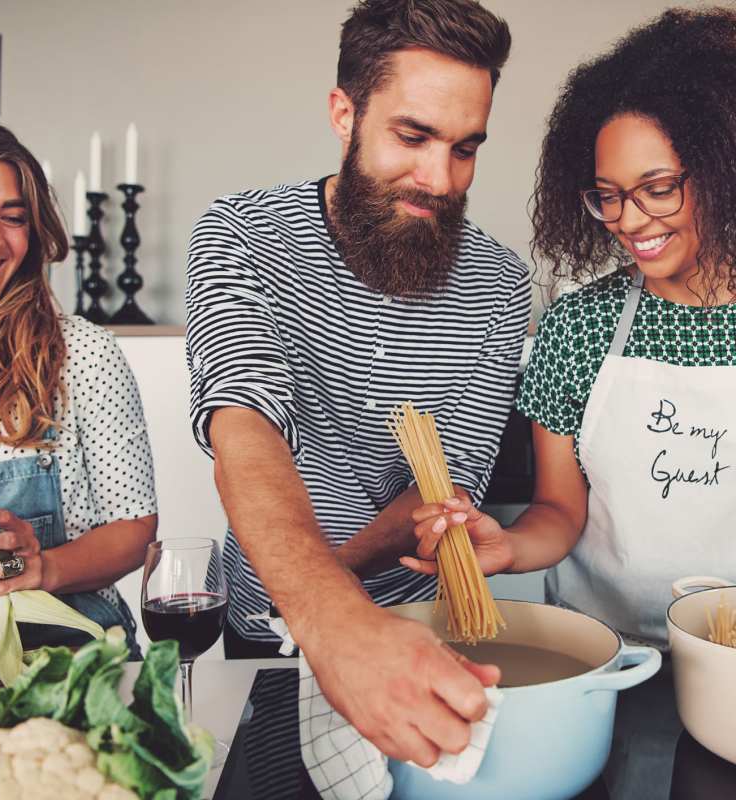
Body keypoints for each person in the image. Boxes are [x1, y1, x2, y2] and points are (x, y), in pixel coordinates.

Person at [185, 0, 530, 767]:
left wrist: (338, 600)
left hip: (423, 630)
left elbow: (446, 489)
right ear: (345, 113)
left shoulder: (501, 284)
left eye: (466, 147)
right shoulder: (242, 235)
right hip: (272, 631)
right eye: (412, 136)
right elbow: (245, 429)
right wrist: (330, 617)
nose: (440, 178)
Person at [404, 7, 736, 796]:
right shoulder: (584, 327)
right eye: (609, 196)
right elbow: (561, 509)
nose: (630, 222)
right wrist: (506, 546)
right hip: (605, 671)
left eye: (657, 188)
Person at [0, 117, 158, 660]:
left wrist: (45, 566)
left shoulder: (80, 352)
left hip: (72, 657)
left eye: (13, 218)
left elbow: (134, 530)